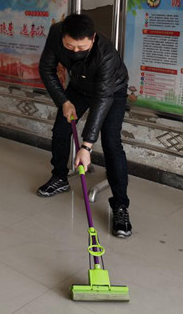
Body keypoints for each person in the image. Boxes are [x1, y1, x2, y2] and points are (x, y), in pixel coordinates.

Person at [37, 13, 132, 238]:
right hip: (79, 86)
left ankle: (120, 205)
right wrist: (64, 101)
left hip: (111, 91)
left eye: (81, 47)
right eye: (70, 46)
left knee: (111, 141)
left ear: (93, 38)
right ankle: (60, 177)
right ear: (63, 36)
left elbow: (102, 99)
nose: (75, 51)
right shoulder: (56, 33)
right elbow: (46, 69)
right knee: (62, 127)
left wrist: (86, 146)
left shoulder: (106, 54)